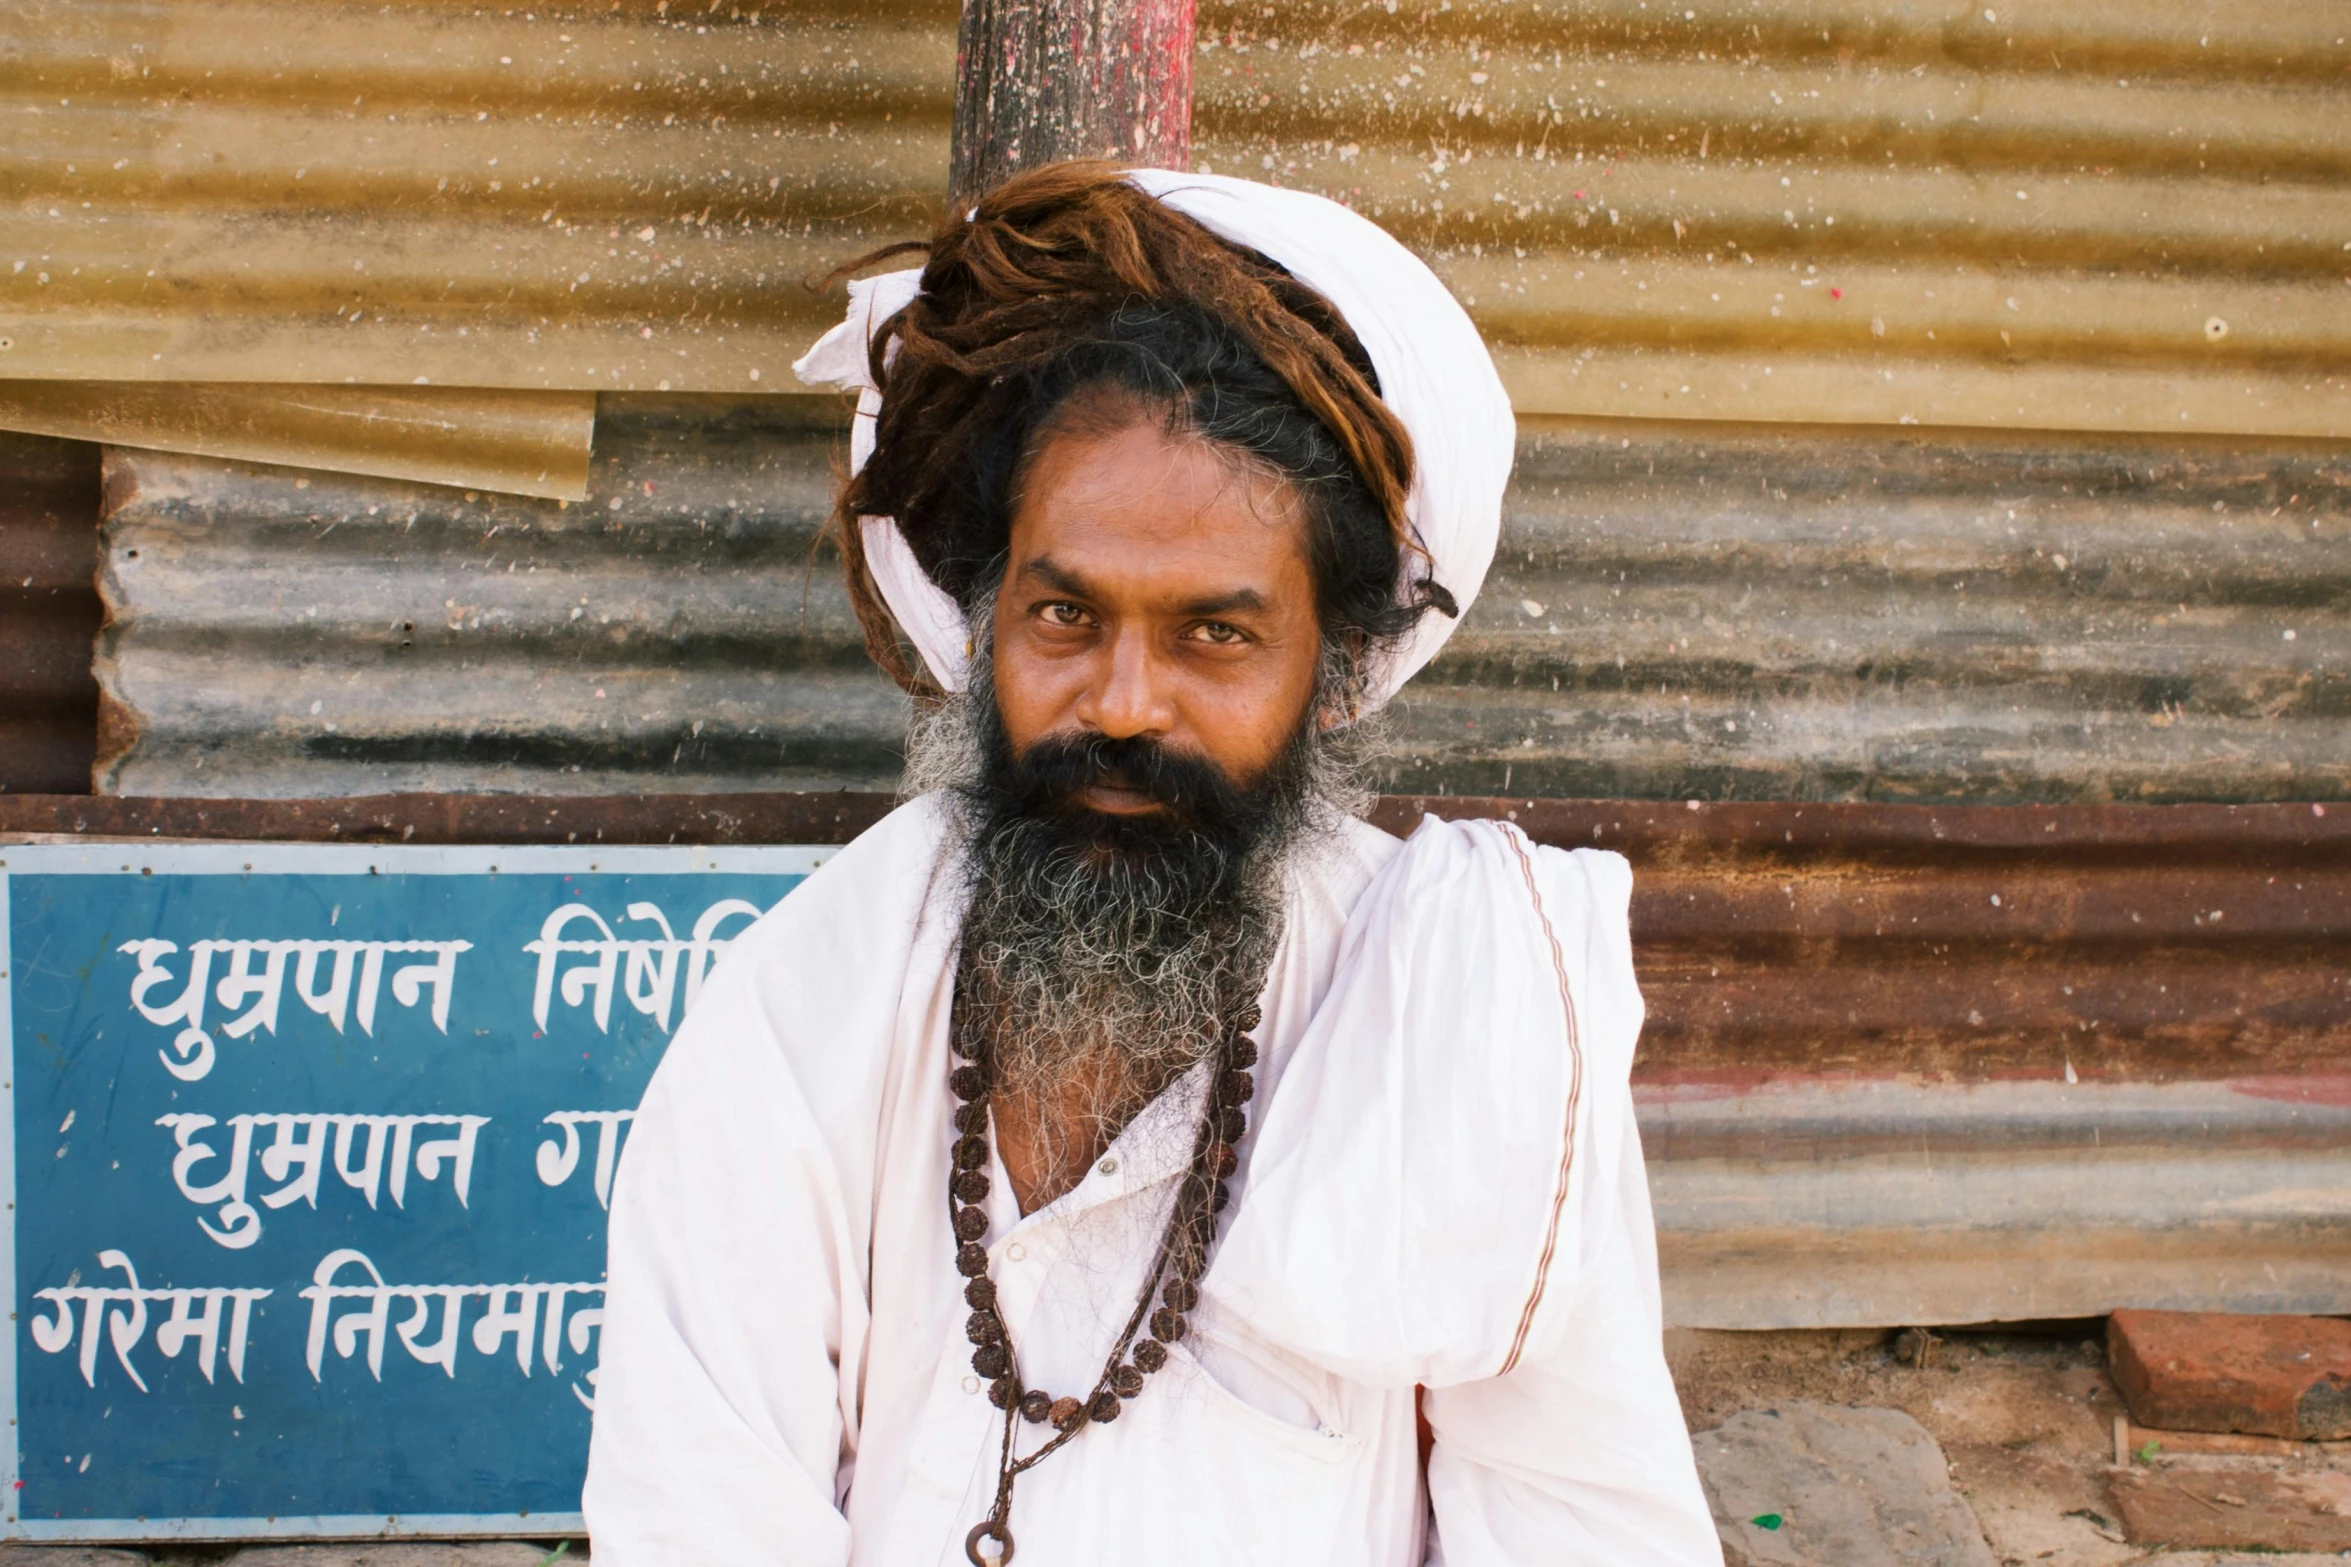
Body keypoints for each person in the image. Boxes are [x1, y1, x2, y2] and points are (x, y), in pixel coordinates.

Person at [582, 162, 1720, 1566]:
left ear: (1335, 664)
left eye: (1213, 634)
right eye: (1065, 612)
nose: (1120, 702)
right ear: (988, 615)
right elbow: (699, 1521)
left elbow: (1578, 1527)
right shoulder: (793, 1014)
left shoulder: (1461, 1005)